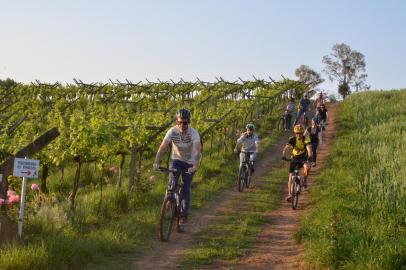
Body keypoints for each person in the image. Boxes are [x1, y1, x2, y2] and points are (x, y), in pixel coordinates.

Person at [153, 108, 201, 227]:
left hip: (190, 162)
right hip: (177, 160)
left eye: (184, 122)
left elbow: (196, 150)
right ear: (176, 122)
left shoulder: (194, 133)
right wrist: (156, 161)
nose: (182, 125)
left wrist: (195, 165)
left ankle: (183, 217)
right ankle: (169, 199)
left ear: (188, 122)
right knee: (171, 184)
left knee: (185, 188)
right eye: (179, 122)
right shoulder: (172, 131)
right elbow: (163, 147)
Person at [281, 124, 312, 202]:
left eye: (300, 133)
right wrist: (284, 156)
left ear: (302, 133)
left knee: (307, 167)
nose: (298, 135)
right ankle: (290, 195)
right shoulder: (292, 139)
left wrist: (310, 155)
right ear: (295, 133)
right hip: (294, 158)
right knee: (290, 177)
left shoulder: (305, 138)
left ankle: (305, 180)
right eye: (297, 133)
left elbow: (308, 148)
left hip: (303, 158)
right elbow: (286, 148)